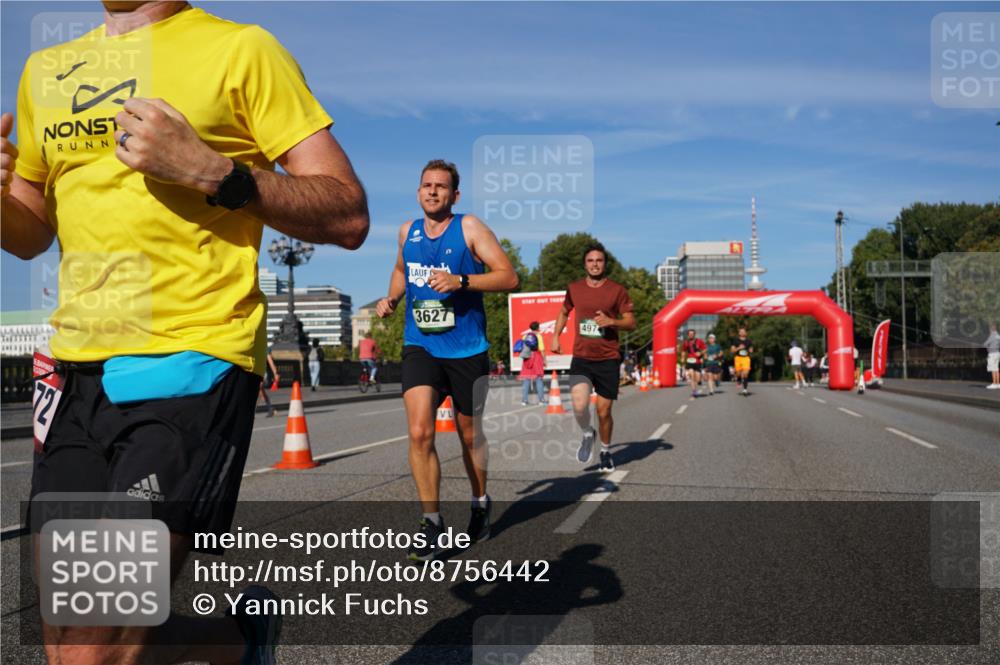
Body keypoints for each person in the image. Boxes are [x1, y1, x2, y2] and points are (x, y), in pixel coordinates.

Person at [2, 3, 370, 664]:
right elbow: (31, 226)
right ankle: (237, 639)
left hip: (191, 358)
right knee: (68, 641)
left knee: (94, 646)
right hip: (73, 369)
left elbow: (347, 211)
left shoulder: (242, 51)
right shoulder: (43, 70)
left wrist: (212, 171)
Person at [376, 159, 517, 561]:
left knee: (468, 436)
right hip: (420, 344)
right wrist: (392, 298)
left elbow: (509, 277)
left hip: (466, 350)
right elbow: (402, 269)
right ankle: (432, 523)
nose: (432, 191)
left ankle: (479, 501)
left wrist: (462, 281)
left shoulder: (469, 228)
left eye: (441, 186)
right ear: (418, 191)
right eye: (426, 185)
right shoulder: (408, 231)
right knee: (420, 433)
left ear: (454, 194)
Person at [551, 242, 636, 472]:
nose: (595, 264)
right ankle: (588, 433)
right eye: (590, 261)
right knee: (579, 407)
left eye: (599, 260)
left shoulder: (617, 290)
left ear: (605, 263)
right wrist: (556, 336)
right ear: (584, 264)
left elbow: (630, 321)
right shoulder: (575, 288)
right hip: (582, 357)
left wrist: (612, 322)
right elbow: (563, 311)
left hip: (608, 357)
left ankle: (606, 451)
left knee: (603, 411)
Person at [518, 321, 546, 405]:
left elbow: (522, 348)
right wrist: (544, 360)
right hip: (536, 357)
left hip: (527, 358)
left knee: (526, 379)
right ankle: (541, 400)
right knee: (538, 379)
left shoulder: (525, 336)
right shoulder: (538, 336)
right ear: (538, 328)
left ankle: (524, 400)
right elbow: (541, 349)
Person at [681, 329, 706, 397]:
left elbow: (705, 349)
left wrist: (700, 353)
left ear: (694, 334)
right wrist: (682, 358)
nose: (691, 335)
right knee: (692, 375)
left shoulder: (699, 341)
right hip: (689, 361)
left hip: (697, 361)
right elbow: (683, 351)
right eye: (689, 334)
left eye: (692, 334)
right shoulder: (685, 342)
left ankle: (696, 386)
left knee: (697, 378)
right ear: (688, 335)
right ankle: (694, 391)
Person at [730, 328, 754, 396]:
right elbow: (732, 351)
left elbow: (751, 349)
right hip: (738, 358)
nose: (743, 332)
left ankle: (745, 389)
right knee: (738, 373)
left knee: (746, 373)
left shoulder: (749, 341)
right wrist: (739, 348)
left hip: (746, 358)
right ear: (739, 333)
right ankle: (738, 379)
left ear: (746, 333)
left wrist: (751, 350)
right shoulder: (735, 341)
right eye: (741, 331)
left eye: (744, 331)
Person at [258, 347, 280, 417]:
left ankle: (270, 408)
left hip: (263, 373)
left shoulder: (265, 349)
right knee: (261, 392)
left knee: (259, 390)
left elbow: (270, 362)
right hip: (259, 372)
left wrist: (275, 373)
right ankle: (270, 408)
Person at [984, 323, 1000, 389]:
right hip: (997, 353)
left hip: (992, 354)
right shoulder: (998, 335)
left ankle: (994, 383)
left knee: (993, 369)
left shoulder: (992, 335)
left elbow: (985, 344)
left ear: (991, 329)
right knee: (996, 369)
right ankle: (998, 383)